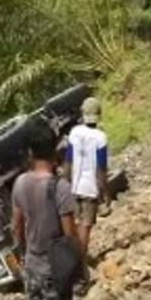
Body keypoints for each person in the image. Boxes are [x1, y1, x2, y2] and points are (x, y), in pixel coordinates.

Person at [12, 125, 82, 300]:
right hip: (54, 267)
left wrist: (21, 255)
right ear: (54, 151)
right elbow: (69, 232)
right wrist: (79, 262)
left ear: (31, 153)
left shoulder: (19, 183)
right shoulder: (59, 187)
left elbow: (16, 226)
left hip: (31, 263)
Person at [63, 97, 110, 259]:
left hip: (74, 185)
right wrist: (105, 191)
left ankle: (73, 256)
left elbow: (68, 162)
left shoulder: (74, 133)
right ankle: (80, 259)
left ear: (83, 114)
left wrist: (65, 182)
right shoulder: (100, 138)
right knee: (86, 225)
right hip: (90, 188)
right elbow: (101, 169)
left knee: (75, 222)